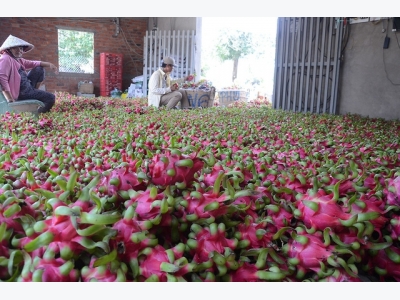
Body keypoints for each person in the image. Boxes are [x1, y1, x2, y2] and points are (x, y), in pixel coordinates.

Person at [0, 34, 58, 113]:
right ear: (10, 48)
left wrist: (50, 64)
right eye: (18, 48)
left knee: (39, 69)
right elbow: (2, 78)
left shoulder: (18, 59)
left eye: (22, 49)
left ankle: (35, 92)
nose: (21, 51)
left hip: (29, 88)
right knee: (51, 98)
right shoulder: (5, 58)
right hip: (22, 93)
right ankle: (37, 115)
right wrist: (10, 99)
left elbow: (34, 63)